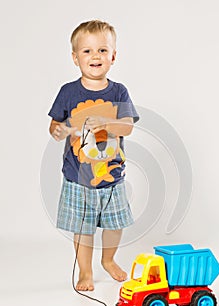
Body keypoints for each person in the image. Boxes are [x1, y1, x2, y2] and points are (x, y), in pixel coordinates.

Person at [48, 20, 139, 291]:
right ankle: (85, 272)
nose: (95, 56)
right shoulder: (68, 92)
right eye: (87, 51)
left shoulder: (118, 91)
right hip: (79, 176)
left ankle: (108, 259)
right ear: (75, 58)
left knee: (115, 223)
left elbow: (128, 127)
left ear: (113, 56)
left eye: (102, 50)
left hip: (112, 176)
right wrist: (60, 130)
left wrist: (107, 123)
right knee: (84, 228)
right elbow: (55, 125)